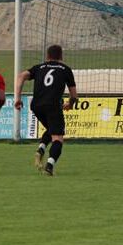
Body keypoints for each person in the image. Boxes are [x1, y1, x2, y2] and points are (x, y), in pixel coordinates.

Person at [14, 44, 78, 176]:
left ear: (47, 56)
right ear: (61, 56)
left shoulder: (39, 67)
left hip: (36, 106)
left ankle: (40, 150)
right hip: (53, 106)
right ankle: (49, 167)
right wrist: (70, 104)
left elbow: (20, 76)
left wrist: (18, 98)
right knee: (58, 138)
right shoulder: (65, 69)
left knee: (51, 129)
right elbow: (74, 95)